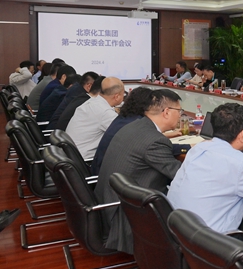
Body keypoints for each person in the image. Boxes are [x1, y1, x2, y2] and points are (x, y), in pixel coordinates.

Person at [168, 103, 243, 234]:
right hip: (210, 240)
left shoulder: (198, 149)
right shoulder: (241, 166)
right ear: (241, 135)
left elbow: (224, 165)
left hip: (177, 231)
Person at [96, 89, 184, 254]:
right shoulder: (154, 140)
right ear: (166, 112)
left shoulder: (135, 126)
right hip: (124, 218)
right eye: (179, 111)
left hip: (108, 205)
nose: (180, 116)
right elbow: (181, 177)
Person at [91, 87, 153, 175]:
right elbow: (151, 145)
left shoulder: (123, 118)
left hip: (104, 169)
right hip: (109, 174)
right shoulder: (135, 124)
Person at [66, 77, 124, 160]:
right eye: (123, 94)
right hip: (84, 161)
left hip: (70, 155)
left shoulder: (92, 102)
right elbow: (124, 134)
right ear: (117, 96)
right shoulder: (105, 112)